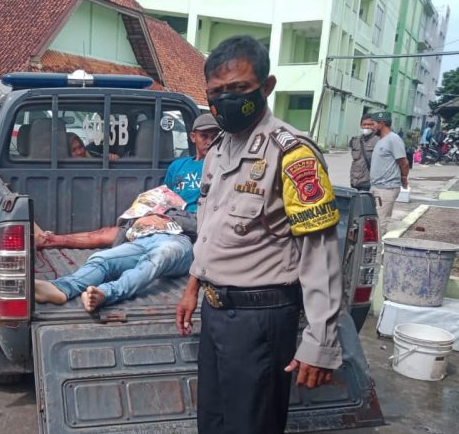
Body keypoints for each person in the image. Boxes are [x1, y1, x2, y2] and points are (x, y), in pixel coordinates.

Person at [175, 35, 343, 434]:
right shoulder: (218, 150)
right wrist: (193, 286)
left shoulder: (292, 154)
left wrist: (320, 342)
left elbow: (320, 255)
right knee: (212, 422)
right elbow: (211, 227)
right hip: (216, 313)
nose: (227, 100)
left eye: (239, 89)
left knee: (251, 426)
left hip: (261, 320)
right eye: (217, 92)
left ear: (266, 87)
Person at [35, 114, 220, 312]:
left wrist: (169, 219)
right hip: (152, 232)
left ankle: (107, 293)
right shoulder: (178, 166)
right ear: (193, 137)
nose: (209, 141)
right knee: (103, 259)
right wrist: (146, 217)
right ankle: (62, 289)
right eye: (204, 136)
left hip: (185, 239)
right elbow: (164, 197)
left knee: (159, 257)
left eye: (214, 136)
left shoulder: (222, 168)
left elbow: (216, 217)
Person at [369, 111, 409, 236]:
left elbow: (404, 162)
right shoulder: (381, 140)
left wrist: (404, 179)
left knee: (380, 224)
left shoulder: (393, 139)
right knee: (372, 222)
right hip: (376, 187)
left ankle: (378, 247)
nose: (371, 127)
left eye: (373, 124)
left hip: (386, 189)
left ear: (381, 124)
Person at [349, 114, 379, 190]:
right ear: (360, 126)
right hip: (355, 181)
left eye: (370, 124)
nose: (366, 127)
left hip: (369, 182)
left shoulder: (379, 141)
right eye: (364, 124)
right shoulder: (355, 140)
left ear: (374, 125)